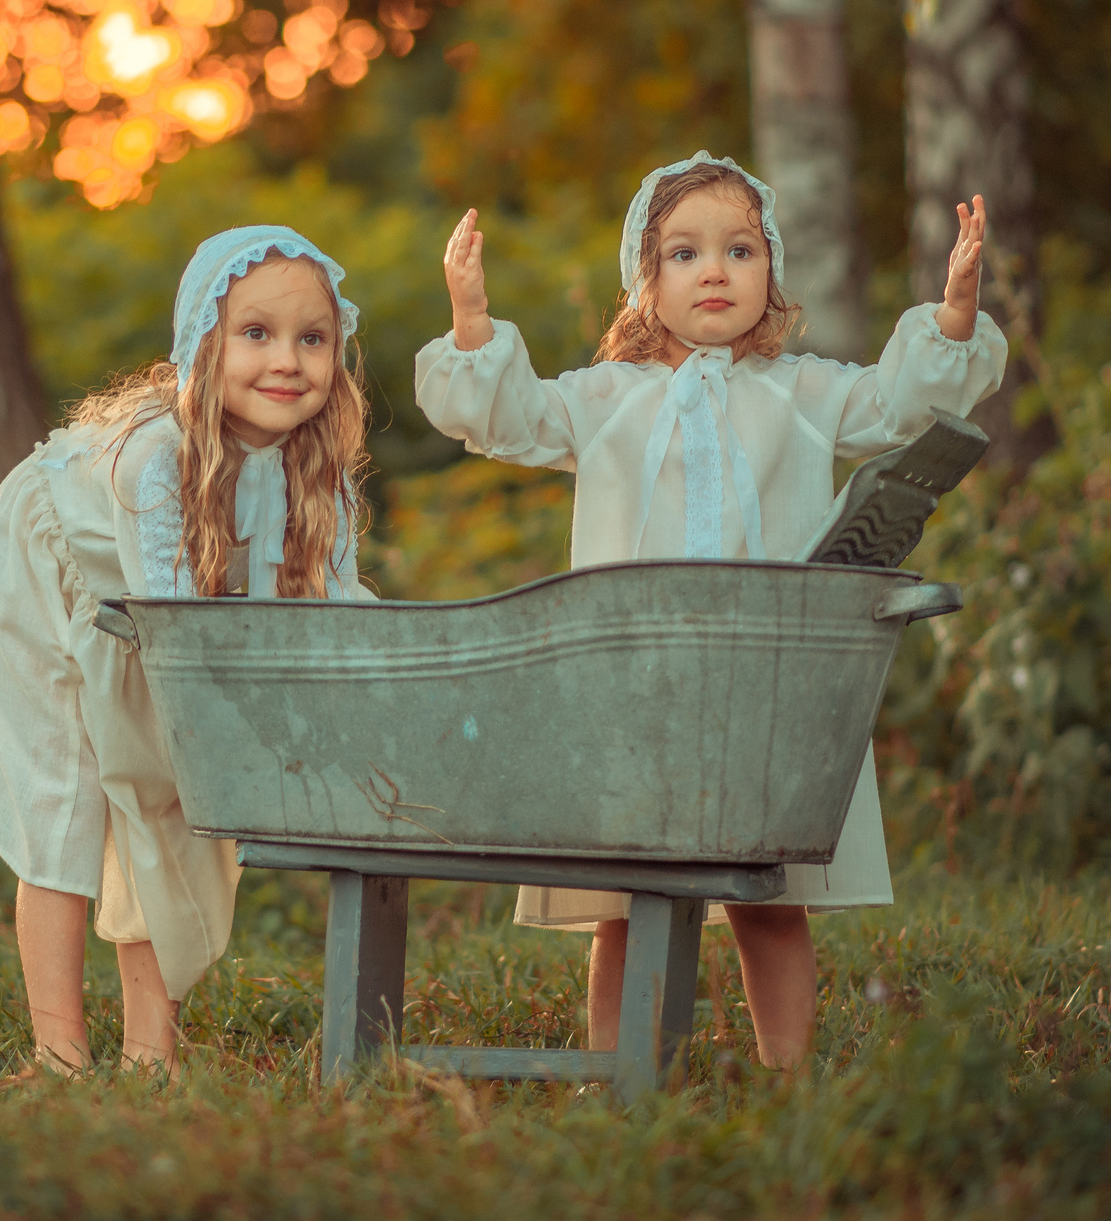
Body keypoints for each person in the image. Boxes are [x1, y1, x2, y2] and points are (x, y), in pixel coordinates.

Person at [415, 152, 1007, 1069]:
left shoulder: (799, 393)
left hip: (758, 689)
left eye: (739, 248)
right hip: (635, 690)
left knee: (768, 899)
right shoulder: (608, 398)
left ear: (771, 269)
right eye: (684, 254)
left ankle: (790, 1077)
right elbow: (511, 416)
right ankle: (619, 1077)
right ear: (644, 283)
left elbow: (895, 404)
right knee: (628, 905)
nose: (715, 270)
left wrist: (955, 314)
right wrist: (470, 321)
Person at [0, 225, 372, 1074]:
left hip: (154, 609)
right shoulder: (159, 457)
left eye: (312, 338)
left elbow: (336, 613)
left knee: (168, 804)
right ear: (203, 344)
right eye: (255, 334)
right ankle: (59, 1051)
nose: (287, 360)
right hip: (43, 565)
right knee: (66, 798)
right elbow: (181, 629)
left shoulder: (316, 465)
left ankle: (152, 1055)